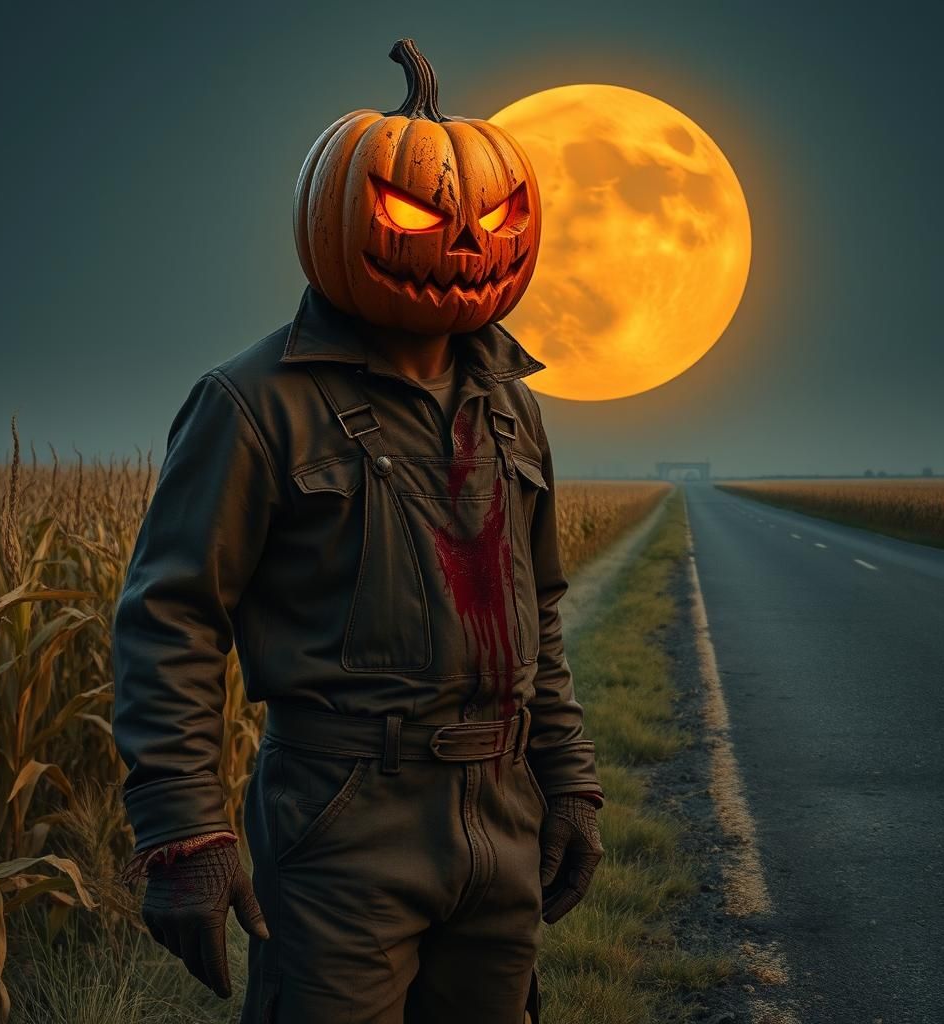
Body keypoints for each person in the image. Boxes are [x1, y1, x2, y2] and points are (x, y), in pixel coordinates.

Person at [112, 38, 605, 1024]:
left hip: (500, 811)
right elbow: (171, 618)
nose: (464, 246)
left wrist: (569, 783)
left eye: (496, 219)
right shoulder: (252, 405)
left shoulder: (511, 406)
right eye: (416, 212)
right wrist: (183, 835)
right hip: (342, 817)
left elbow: (538, 608)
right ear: (335, 215)